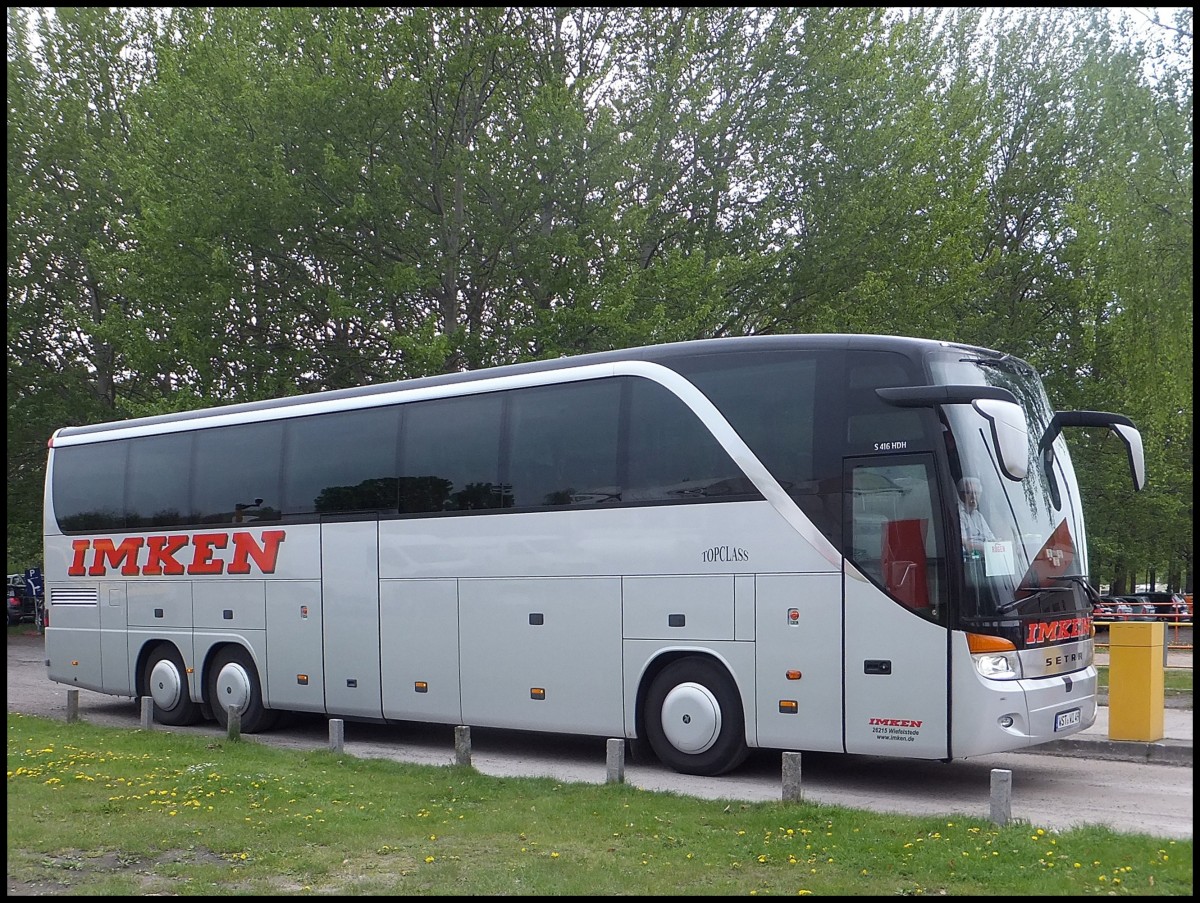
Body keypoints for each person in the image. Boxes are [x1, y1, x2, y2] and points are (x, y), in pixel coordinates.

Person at [957, 477, 995, 556]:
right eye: (969, 493)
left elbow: (991, 538)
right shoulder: (958, 514)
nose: (973, 497)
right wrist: (984, 548)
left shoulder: (978, 516)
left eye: (976, 493)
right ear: (961, 495)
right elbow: (964, 543)